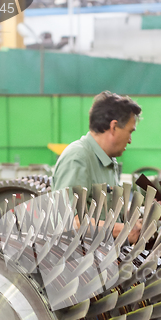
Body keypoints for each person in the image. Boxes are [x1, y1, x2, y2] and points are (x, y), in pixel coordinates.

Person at [52, 90, 142, 243]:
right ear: (113, 127)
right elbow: (68, 223)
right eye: (129, 132)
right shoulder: (78, 159)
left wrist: (140, 217)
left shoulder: (108, 161)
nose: (130, 140)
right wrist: (120, 230)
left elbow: (107, 214)